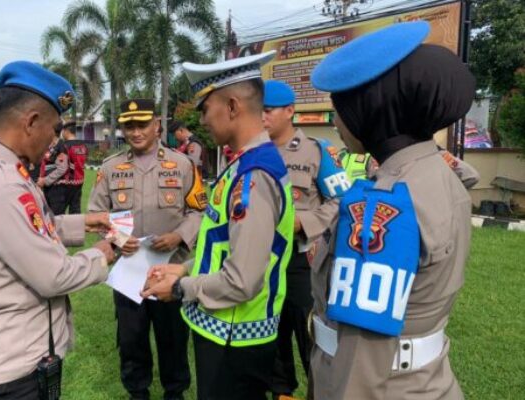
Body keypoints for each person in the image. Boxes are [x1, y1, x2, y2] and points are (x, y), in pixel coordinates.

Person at [307, 21, 475, 399]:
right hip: (426, 381)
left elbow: (363, 356)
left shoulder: (386, 206)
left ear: (369, 108)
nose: (337, 122)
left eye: (340, 108)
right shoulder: (441, 172)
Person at [0, 60, 116, 399]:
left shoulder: (3, 169)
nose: (55, 139)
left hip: (26, 348)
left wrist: (83, 222)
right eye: (55, 129)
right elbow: (53, 277)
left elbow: (27, 231)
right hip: (21, 360)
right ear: (31, 122)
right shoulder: (0, 184)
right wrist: (105, 253)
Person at [142, 51, 296, 400]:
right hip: (224, 329)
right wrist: (183, 270)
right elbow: (223, 248)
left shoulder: (254, 176)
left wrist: (182, 289)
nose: (202, 121)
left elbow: (242, 280)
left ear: (231, 107)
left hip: (236, 335)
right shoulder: (242, 167)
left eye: (205, 109)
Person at [89, 98, 207, 400]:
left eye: (142, 124)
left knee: (173, 336)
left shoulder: (183, 165)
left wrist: (179, 236)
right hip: (129, 272)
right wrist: (116, 238)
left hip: (170, 268)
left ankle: (174, 391)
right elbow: (96, 213)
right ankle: (137, 391)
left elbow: (199, 212)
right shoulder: (111, 168)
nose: (135, 131)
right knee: (131, 337)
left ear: (157, 126)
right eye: (129, 126)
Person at [262, 80, 350, 400]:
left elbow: (343, 201)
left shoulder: (318, 151)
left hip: (302, 260)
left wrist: (305, 222)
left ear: (289, 111)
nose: (261, 117)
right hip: (261, 260)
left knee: (310, 333)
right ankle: (282, 392)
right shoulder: (251, 152)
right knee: (271, 330)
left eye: (268, 110)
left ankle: (320, 391)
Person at [42, 120, 88, 215]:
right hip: (79, 183)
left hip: (65, 184)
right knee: (75, 211)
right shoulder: (84, 146)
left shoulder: (65, 146)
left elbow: (62, 166)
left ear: (66, 131)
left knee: (58, 214)